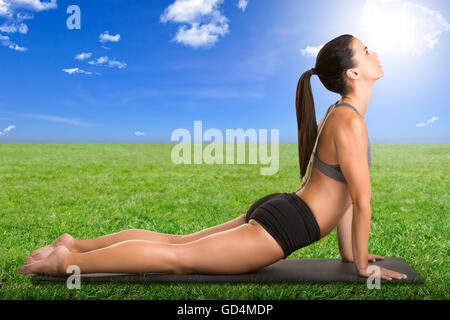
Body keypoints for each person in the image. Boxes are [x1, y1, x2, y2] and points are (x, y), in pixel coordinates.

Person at [17, 34, 407, 281]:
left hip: (284, 209)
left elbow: (342, 199)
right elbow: (360, 200)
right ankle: (66, 261)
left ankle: (76, 244)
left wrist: (351, 252)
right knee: (176, 257)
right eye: (366, 50)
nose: (375, 53)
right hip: (283, 226)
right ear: (353, 73)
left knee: (177, 242)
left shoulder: (341, 114)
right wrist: (361, 268)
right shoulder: (350, 121)